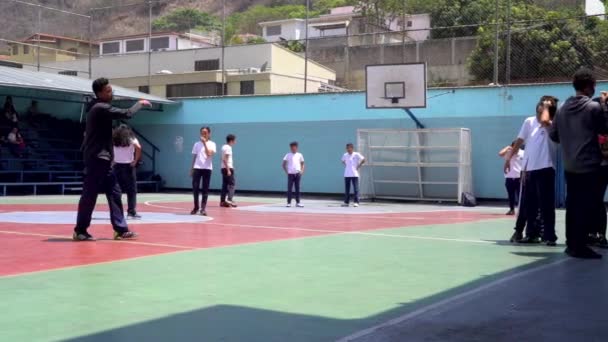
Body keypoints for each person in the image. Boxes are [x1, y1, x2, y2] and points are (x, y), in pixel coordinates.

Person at [73, 77, 150, 241]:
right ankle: (80, 230)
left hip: (105, 160)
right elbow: (127, 113)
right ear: (99, 93)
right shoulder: (100, 107)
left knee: (115, 193)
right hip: (96, 159)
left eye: (111, 90)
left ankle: (120, 230)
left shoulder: (97, 107)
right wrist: (140, 104)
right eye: (108, 91)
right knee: (89, 195)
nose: (111, 93)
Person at [550, 69, 608, 259]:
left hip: (570, 165)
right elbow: (604, 129)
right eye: (593, 85)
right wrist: (605, 105)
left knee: (573, 204)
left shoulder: (562, 109)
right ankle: (580, 245)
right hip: (589, 165)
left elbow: (554, 136)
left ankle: (571, 243)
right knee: (587, 205)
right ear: (589, 86)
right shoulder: (593, 108)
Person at [505, 95, 558, 246]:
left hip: (546, 168)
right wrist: (509, 159)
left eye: (545, 105)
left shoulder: (553, 124)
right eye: (541, 104)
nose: (541, 107)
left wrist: (547, 107)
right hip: (528, 170)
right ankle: (531, 234)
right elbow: (519, 140)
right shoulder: (529, 122)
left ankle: (549, 236)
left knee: (546, 205)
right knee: (530, 205)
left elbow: (545, 121)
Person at [113, 124, 142, 220]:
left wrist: (112, 160)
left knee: (117, 190)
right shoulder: (131, 138)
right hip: (128, 166)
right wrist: (135, 160)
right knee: (132, 190)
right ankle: (131, 211)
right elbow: (138, 147)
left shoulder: (114, 139)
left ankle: (117, 212)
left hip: (116, 165)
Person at [190, 126, 216, 216]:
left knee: (205, 189)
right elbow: (194, 157)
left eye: (205, 132)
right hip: (197, 168)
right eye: (202, 132)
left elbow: (209, 154)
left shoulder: (212, 144)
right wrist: (192, 168)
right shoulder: (196, 144)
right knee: (195, 188)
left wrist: (205, 143)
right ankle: (196, 207)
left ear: (209, 134)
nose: (203, 134)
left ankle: (203, 209)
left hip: (207, 168)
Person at [499, 142, 524, 216]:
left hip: (519, 177)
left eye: (517, 146)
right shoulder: (509, 152)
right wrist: (507, 147)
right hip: (509, 177)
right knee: (511, 195)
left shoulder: (523, 153)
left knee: (520, 195)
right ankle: (512, 210)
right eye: (514, 147)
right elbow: (500, 154)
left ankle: (522, 210)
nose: (515, 148)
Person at [341, 143, 365, 207]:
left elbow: (363, 159)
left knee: (356, 189)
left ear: (352, 148)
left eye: (349, 148)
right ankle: (346, 202)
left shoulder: (356, 154)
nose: (348, 149)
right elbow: (342, 161)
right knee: (347, 189)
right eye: (347, 148)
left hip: (354, 174)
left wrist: (358, 166)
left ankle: (356, 202)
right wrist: (347, 165)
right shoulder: (345, 155)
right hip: (347, 174)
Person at [282, 141, 305, 208]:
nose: (293, 149)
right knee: (289, 188)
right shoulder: (288, 155)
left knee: (297, 188)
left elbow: (303, 164)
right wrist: (287, 172)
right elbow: (283, 165)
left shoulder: (300, 155)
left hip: (297, 174)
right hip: (290, 174)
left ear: (297, 148)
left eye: (294, 147)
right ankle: (288, 202)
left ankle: (298, 203)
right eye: (291, 148)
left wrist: (302, 171)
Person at [220, 134, 237, 208]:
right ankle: (229, 199)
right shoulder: (228, 148)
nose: (235, 142)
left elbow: (223, 159)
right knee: (232, 184)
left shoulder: (223, 147)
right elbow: (224, 159)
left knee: (225, 185)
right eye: (234, 140)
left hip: (223, 168)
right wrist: (228, 170)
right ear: (231, 140)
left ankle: (222, 201)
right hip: (228, 168)